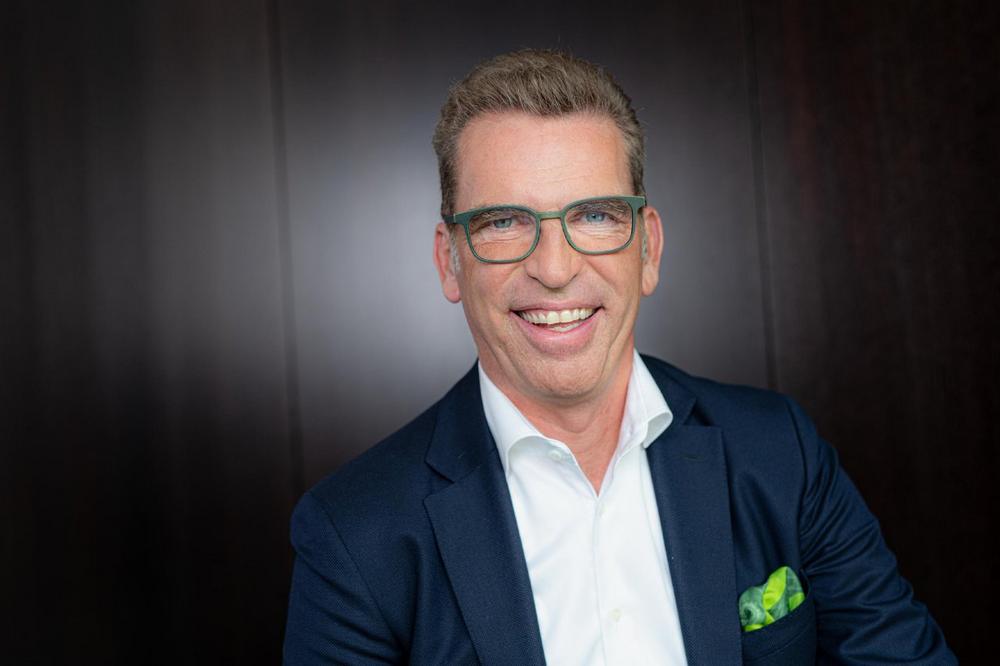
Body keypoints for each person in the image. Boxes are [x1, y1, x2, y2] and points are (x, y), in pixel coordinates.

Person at [283, 49, 954, 665]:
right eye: (503, 222)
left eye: (595, 216)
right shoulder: (354, 533)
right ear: (449, 261)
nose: (554, 269)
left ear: (648, 249)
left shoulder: (781, 453)